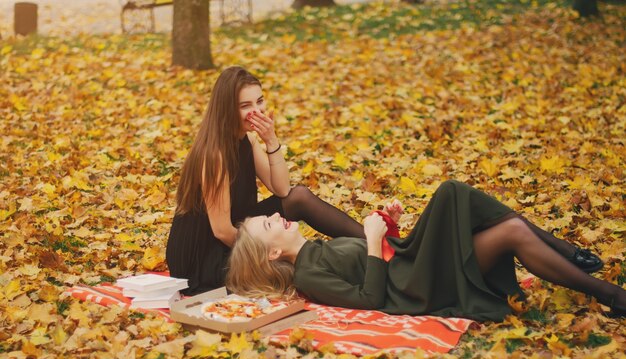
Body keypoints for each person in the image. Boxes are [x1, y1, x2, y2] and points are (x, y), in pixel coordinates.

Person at [225, 180, 623, 322]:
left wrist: (388, 225)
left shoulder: (318, 248)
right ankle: (591, 276)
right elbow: (370, 299)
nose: (277, 217)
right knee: (451, 193)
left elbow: (380, 250)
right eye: (268, 225)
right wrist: (371, 245)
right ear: (273, 255)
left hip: (411, 263)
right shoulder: (309, 275)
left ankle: (604, 291)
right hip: (417, 287)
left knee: (512, 230)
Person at [166, 66, 364, 294]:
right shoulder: (215, 155)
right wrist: (264, 252)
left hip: (240, 232)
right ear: (227, 109)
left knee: (298, 197)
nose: (256, 111)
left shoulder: (246, 140)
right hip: (204, 258)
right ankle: (353, 265)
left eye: (259, 101)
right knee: (286, 256)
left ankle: (378, 245)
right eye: (245, 106)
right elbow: (221, 231)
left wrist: (271, 141)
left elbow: (281, 189)